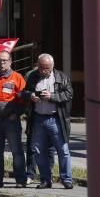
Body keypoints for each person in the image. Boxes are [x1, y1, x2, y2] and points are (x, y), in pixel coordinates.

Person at [22, 53, 74, 189]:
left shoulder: (62, 77)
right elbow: (24, 92)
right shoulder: (33, 76)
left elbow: (69, 94)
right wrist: (31, 95)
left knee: (63, 150)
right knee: (38, 150)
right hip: (38, 118)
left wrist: (52, 96)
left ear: (52, 67)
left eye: (46, 68)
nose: (42, 71)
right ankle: (45, 180)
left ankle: (66, 179)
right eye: (40, 67)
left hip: (55, 118)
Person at [0, 50, 27, 188]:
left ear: (10, 61)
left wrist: (17, 113)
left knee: (16, 151)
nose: (2, 63)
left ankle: (20, 180)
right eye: (0, 61)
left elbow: (25, 100)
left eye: (5, 60)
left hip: (10, 121)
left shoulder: (17, 78)